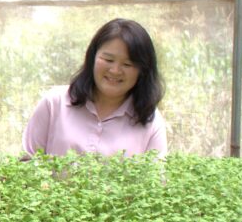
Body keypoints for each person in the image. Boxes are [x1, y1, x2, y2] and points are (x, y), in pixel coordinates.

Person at [23, 18, 166, 157]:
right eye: (108, 60)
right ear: (92, 57)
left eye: (127, 64)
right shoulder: (54, 103)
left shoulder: (151, 121)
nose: (115, 70)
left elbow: (157, 179)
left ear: (143, 70)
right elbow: (27, 163)